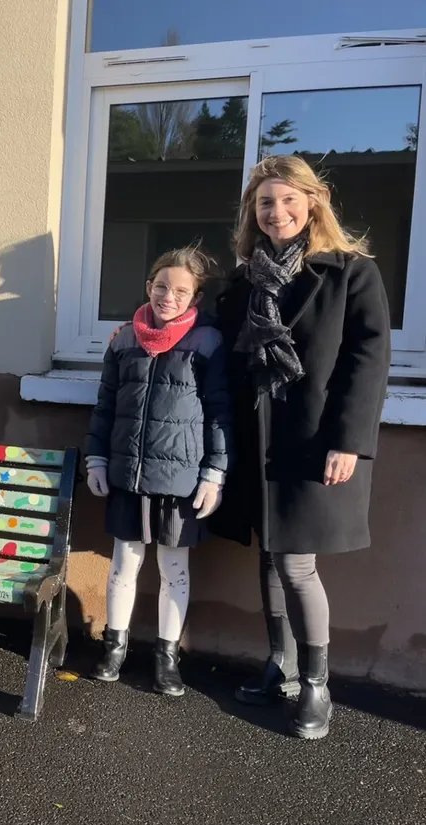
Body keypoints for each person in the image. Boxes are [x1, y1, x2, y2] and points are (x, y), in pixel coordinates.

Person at [213, 155, 391, 740]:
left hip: (316, 441)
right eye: (265, 202)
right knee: (269, 553)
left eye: (289, 199)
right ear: (253, 212)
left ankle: (317, 684)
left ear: (313, 202)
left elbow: (368, 364)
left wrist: (349, 443)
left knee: (295, 561)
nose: (277, 211)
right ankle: (281, 666)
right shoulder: (243, 282)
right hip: (259, 437)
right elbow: (212, 341)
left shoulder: (351, 273)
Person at [84, 247, 232, 696]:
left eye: (181, 290)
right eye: (162, 286)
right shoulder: (124, 339)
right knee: (124, 562)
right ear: (149, 287)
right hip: (128, 473)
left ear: (195, 298)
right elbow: (106, 404)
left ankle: (166, 657)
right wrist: (97, 457)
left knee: (175, 568)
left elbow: (220, 413)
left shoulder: (208, 343)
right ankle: (115, 646)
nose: (169, 296)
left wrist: (214, 473)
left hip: (181, 480)